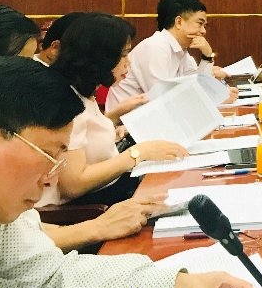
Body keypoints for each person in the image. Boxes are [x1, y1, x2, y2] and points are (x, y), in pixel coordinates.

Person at [0, 56, 262, 288]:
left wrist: (176, 284)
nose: (51, 180)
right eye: (48, 156)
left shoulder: (7, 220)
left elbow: (50, 281)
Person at [36, 14, 187, 252]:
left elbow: (83, 138)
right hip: (84, 208)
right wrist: (137, 154)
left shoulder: (81, 91)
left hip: (109, 190)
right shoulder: (64, 101)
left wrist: (113, 119)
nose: (129, 63)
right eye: (123, 54)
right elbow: (73, 184)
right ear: (99, 57)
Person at [106, 0, 237, 111]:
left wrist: (207, 57)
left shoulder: (182, 51)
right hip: (125, 123)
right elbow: (163, 100)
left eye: (205, 26)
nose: (203, 31)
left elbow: (198, 89)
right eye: (199, 23)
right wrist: (214, 99)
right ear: (179, 22)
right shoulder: (155, 48)